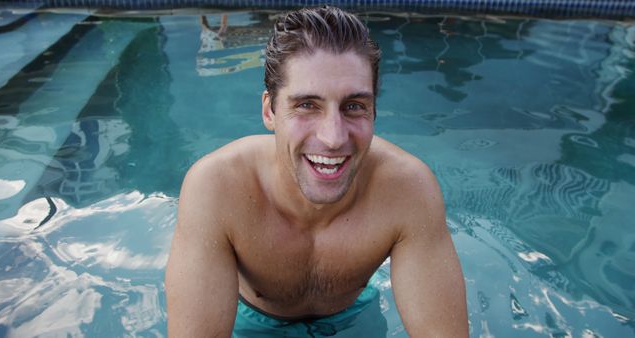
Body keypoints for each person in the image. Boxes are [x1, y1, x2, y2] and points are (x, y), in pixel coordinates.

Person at [166, 6, 468, 337]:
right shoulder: (217, 188)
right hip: (248, 320)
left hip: (353, 316)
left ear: (374, 111)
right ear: (269, 110)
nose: (334, 137)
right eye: (307, 105)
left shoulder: (407, 189)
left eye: (354, 106)